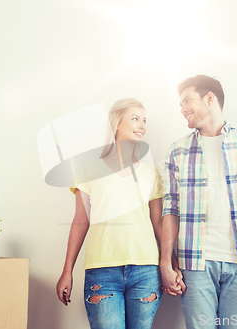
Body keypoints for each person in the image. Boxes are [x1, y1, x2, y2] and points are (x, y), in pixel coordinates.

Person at [160, 75, 237, 329]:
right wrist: (165, 262)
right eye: (180, 104)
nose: (182, 109)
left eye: (187, 100)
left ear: (210, 98)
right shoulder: (177, 151)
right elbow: (170, 210)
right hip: (195, 264)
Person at [56, 98, 166, 329]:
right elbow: (80, 221)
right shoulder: (89, 169)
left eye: (144, 120)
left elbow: (158, 224)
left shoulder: (151, 173)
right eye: (135, 118)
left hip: (146, 271)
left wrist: (170, 264)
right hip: (101, 271)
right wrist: (67, 271)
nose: (142, 125)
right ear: (117, 123)